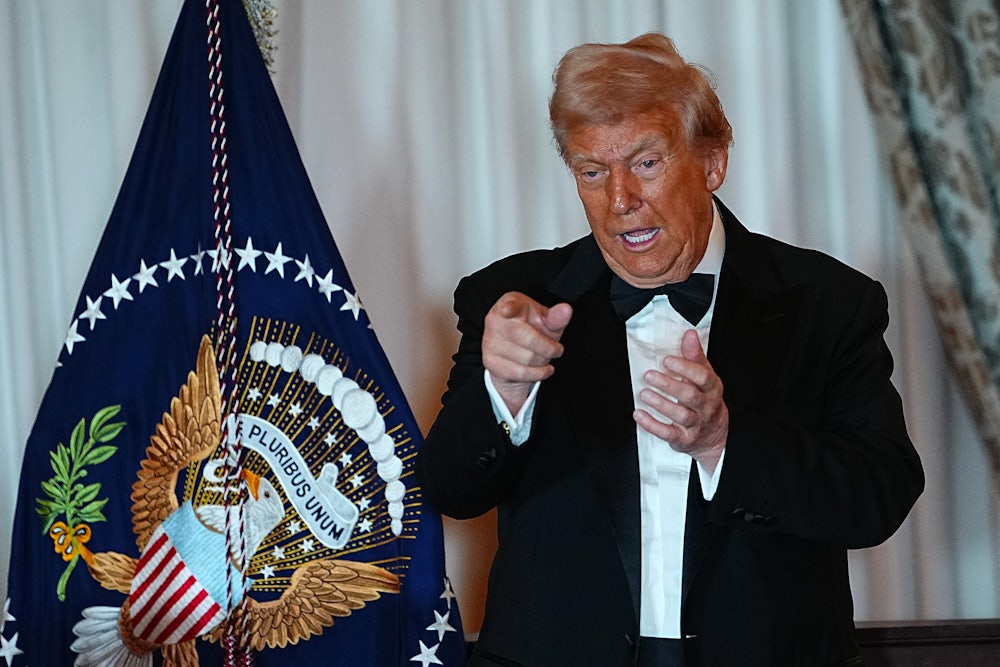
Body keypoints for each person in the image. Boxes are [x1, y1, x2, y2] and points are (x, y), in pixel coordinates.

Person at [417, 33, 924, 667]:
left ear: (712, 162)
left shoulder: (827, 301)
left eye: (646, 163)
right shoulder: (512, 300)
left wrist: (724, 444)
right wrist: (504, 391)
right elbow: (449, 489)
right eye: (592, 172)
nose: (621, 200)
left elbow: (879, 496)